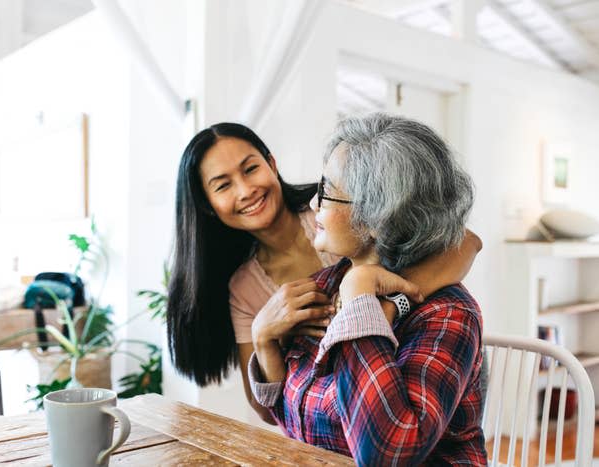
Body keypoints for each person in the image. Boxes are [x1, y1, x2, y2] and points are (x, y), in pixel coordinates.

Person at [167, 122, 482, 424]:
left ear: (271, 163)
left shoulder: (335, 219)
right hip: (326, 424)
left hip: (410, 382)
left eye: (251, 169)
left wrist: (387, 303)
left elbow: (465, 242)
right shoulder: (243, 288)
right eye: (223, 185)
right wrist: (263, 337)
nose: (246, 189)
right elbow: (269, 413)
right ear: (207, 204)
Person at [248, 113, 487, 465]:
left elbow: (387, 454)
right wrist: (264, 342)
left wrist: (360, 297)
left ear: (379, 215)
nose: (314, 204)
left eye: (326, 192)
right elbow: (296, 421)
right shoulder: (326, 285)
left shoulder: (447, 315)